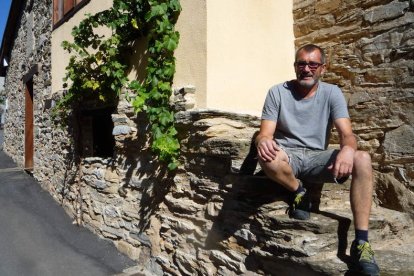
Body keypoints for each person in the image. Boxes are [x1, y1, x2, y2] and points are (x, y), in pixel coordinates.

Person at [255, 44, 380, 275]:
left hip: (316, 157)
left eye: (313, 64)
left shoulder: (332, 93)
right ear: (295, 67)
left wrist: (347, 150)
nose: (307, 69)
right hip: (288, 154)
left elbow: (347, 134)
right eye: (301, 64)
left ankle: (361, 241)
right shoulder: (277, 92)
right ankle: (298, 191)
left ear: (323, 68)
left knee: (362, 158)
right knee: (268, 157)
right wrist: (263, 141)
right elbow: (265, 133)